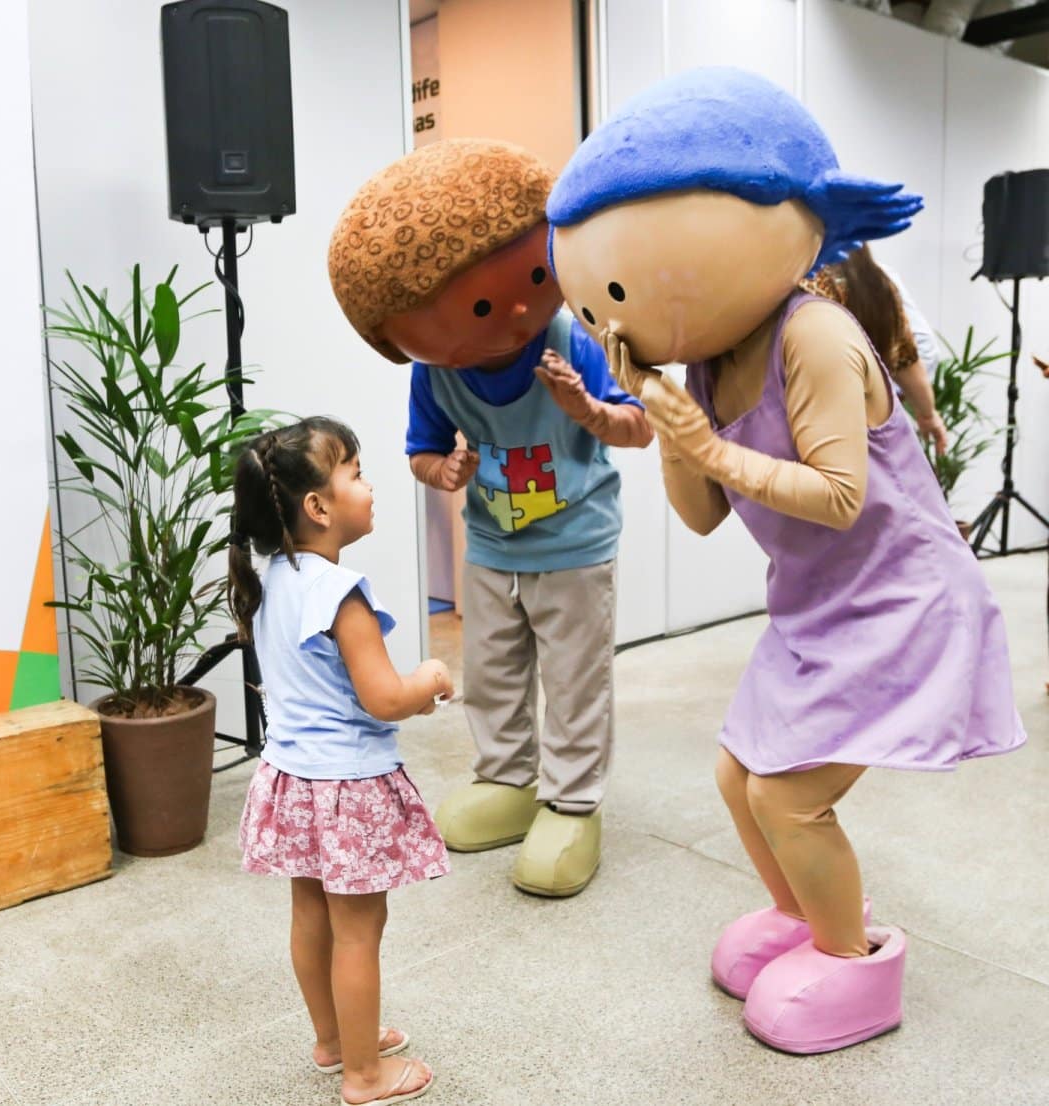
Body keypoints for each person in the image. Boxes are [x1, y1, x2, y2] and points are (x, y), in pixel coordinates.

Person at [549, 66, 1026, 1054]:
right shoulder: (701, 362)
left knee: (791, 792)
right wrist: (674, 425)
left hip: (902, 600)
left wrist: (714, 446)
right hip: (815, 604)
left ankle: (853, 962)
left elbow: (841, 495)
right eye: (604, 297)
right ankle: (803, 922)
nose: (616, 310)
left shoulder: (813, 334)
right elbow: (701, 517)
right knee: (737, 773)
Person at [327, 139, 651, 898]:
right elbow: (422, 454)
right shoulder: (436, 374)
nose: (510, 315)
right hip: (493, 548)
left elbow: (642, 427)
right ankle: (507, 781)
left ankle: (573, 803)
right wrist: (445, 472)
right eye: (477, 308)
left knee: (575, 679)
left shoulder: (578, 337)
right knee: (493, 675)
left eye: (533, 280)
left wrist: (590, 409)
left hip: (574, 546)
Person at [230, 416, 450, 1106]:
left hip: (290, 780)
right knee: (359, 932)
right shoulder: (340, 594)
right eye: (355, 472)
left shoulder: (272, 578)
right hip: (346, 785)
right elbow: (384, 697)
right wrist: (432, 680)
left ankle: (332, 1041)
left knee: (310, 915)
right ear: (317, 507)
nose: (370, 484)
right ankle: (362, 1075)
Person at [801, 245, 948, 453]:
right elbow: (909, 355)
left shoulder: (784, 282)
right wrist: (927, 414)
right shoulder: (874, 280)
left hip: (794, 436)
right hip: (859, 439)